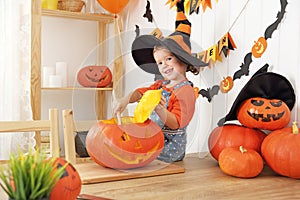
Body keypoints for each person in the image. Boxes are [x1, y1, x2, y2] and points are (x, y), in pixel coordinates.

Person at [113, 1, 208, 163]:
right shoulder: (160, 85)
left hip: (169, 151)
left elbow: (177, 123)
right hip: (153, 144)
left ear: (183, 60)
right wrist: (125, 100)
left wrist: (158, 108)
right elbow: (141, 93)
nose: (164, 66)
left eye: (168, 59)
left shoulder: (185, 91)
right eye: (160, 63)